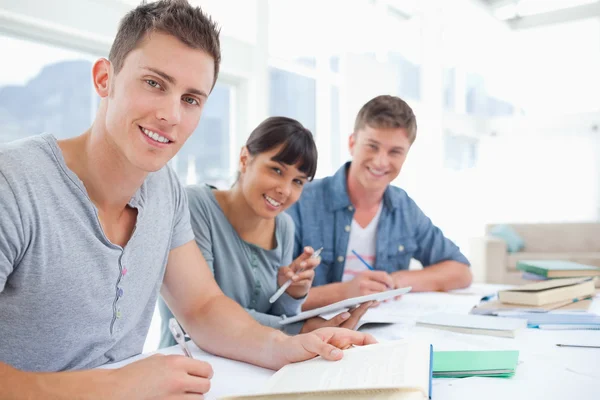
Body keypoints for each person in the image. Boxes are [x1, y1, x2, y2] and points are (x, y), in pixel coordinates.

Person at [0, 1, 376, 398]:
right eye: (154, 83)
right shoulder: (14, 184)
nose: (171, 115)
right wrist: (117, 385)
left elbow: (202, 307)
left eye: (191, 99)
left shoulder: (165, 190)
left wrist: (284, 347)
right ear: (104, 79)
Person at [159, 117, 371, 346]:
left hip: (254, 364)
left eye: (298, 181)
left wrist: (291, 293)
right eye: (276, 170)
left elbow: (278, 315)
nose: (285, 190)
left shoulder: (284, 227)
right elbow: (205, 313)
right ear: (244, 159)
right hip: (190, 362)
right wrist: (302, 329)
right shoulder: (193, 206)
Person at [287, 95, 472, 311]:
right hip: (314, 336)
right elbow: (270, 298)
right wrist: (347, 292)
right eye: (372, 146)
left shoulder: (403, 208)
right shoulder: (301, 200)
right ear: (352, 143)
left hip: (383, 333)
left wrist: (397, 281)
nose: (381, 161)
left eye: (395, 152)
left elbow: (461, 271)